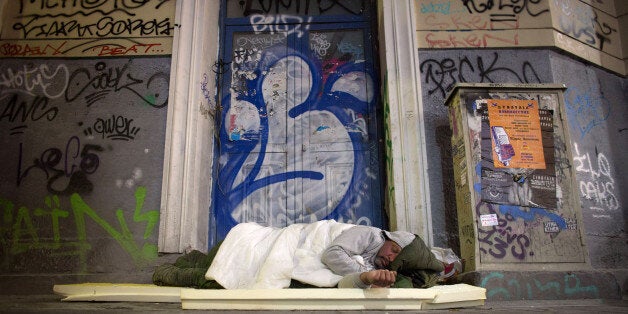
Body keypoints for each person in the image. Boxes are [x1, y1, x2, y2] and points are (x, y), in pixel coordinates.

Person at [321, 225, 415, 288]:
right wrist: (367, 276)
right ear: (388, 238)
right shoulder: (371, 235)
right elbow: (332, 254)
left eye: (398, 259)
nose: (391, 258)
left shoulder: (385, 267)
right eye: (394, 250)